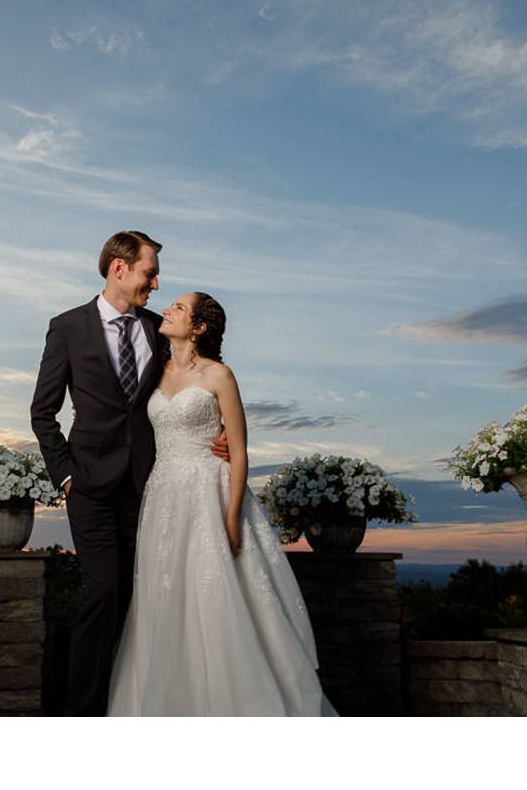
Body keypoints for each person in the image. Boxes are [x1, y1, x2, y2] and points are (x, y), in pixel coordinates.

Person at [107, 292, 338, 716]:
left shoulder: (219, 375)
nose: (168, 309)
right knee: (164, 594)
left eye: (179, 307)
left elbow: (240, 451)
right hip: (163, 494)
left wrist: (231, 517)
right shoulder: (153, 370)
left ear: (199, 327)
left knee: (212, 592)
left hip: (209, 491)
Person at [30, 232, 228, 717]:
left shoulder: (160, 329)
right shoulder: (67, 327)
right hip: (89, 487)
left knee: (145, 595)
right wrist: (65, 475)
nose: (156, 285)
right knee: (101, 592)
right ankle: (84, 714)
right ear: (119, 268)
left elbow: (198, 378)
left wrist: (220, 428)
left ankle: (134, 705)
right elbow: (42, 412)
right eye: (149, 273)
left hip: (150, 487)